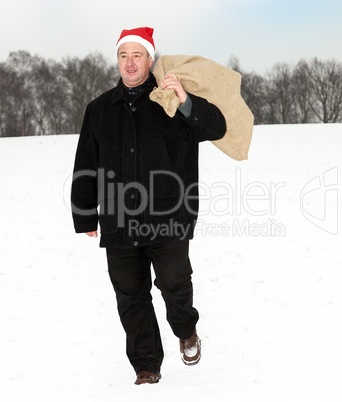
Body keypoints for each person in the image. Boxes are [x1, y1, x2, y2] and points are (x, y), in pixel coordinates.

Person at [71, 27, 226, 385]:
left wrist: (186, 100)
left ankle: (186, 330)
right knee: (130, 294)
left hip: (168, 213)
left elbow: (217, 127)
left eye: (137, 55)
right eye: (123, 55)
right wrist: (84, 213)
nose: (130, 62)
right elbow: (86, 163)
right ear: (117, 61)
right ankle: (146, 365)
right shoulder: (99, 109)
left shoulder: (170, 102)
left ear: (150, 60)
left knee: (174, 282)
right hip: (117, 218)